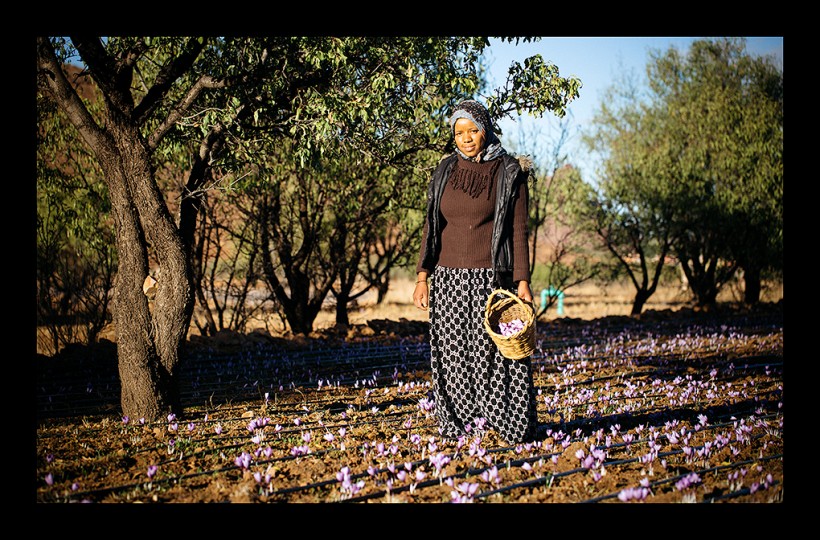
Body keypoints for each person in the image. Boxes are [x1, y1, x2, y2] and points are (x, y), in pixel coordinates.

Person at [413, 99, 538, 445]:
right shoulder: (445, 171)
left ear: (485, 129)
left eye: (472, 130)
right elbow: (432, 225)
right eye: (459, 132)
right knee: (453, 355)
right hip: (448, 279)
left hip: (491, 279)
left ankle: (506, 423)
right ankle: (460, 424)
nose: (466, 138)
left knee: (495, 356)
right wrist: (423, 276)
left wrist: (522, 281)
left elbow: (518, 229)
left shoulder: (509, 171)